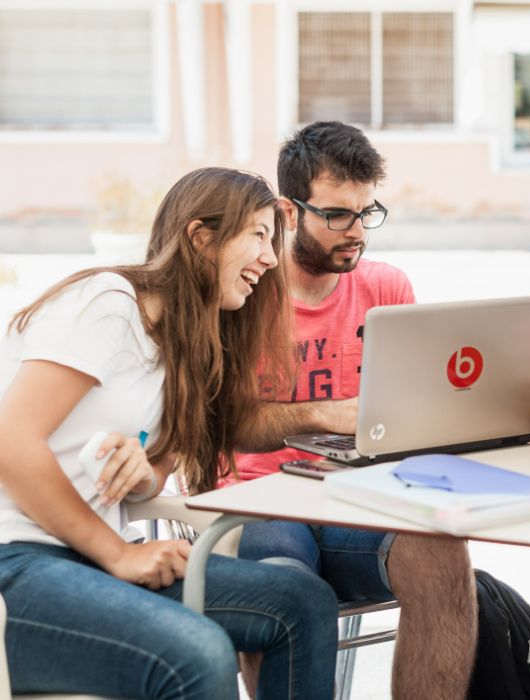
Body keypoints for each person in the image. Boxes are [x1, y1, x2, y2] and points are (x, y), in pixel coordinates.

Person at [0, 167, 340, 699]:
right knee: (197, 652)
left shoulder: (191, 349)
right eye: (257, 234)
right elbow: (10, 445)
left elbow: (153, 475)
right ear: (200, 237)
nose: (273, 258)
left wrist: (138, 473)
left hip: (90, 562)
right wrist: (117, 553)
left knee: (302, 603)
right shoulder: (109, 303)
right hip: (17, 562)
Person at [232, 120, 477, 699]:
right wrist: (325, 413)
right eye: (338, 214)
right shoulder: (244, 292)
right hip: (260, 501)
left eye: (367, 213)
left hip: (361, 498)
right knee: (288, 591)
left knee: (444, 552)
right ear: (288, 213)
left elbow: (419, 411)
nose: (358, 231)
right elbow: (231, 423)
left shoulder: (387, 289)